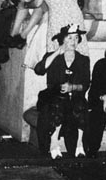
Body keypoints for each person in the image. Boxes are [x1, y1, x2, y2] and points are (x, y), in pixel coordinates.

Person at [34, 24, 90, 159]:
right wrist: (56, 53)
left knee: (81, 106)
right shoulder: (53, 57)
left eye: (76, 38)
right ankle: (54, 144)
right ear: (62, 40)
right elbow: (39, 70)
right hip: (53, 95)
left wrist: (73, 87)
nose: (73, 41)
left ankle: (78, 144)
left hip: (75, 96)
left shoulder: (83, 59)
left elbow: (86, 84)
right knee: (57, 104)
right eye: (69, 38)